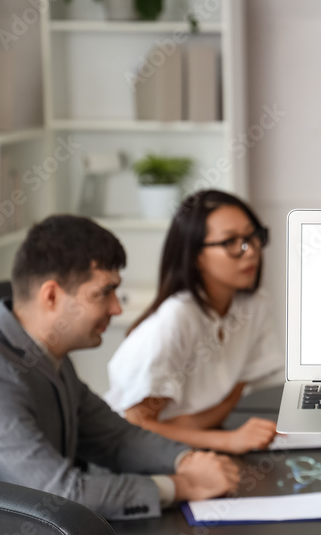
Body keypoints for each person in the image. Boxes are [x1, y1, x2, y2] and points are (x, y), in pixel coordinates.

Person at [0, 215, 239, 520]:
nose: (117, 308)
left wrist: (186, 460)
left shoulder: (48, 356)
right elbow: (60, 495)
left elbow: (117, 438)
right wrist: (180, 486)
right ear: (51, 296)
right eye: (104, 292)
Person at [105, 189, 281, 454]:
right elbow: (135, 426)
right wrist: (229, 441)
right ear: (196, 256)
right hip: (134, 455)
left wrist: (191, 428)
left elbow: (222, 406)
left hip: (187, 446)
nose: (250, 251)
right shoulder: (177, 317)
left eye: (252, 237)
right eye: (231, 241)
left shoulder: (254, 306)